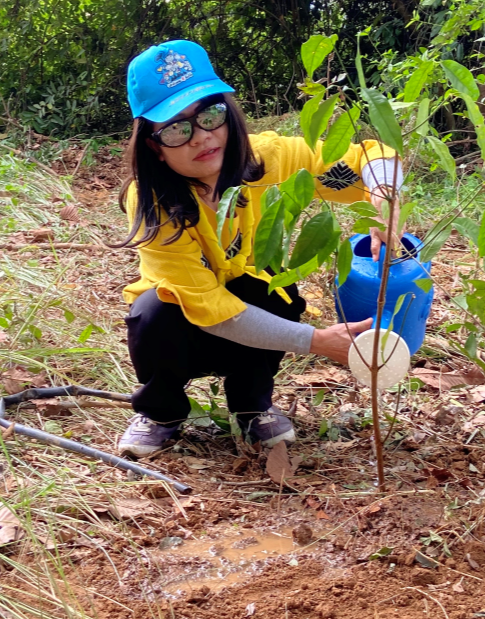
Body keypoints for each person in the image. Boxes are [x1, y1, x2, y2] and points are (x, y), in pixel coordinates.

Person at [115, 40, 403, 457]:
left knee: (274, 293)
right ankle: (161, 413)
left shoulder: (268, 160)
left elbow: (363, 158)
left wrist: (384, 193)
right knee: (153, 310)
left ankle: (252, 407)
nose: (201, 137)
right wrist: (319, 341)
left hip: (250, 315)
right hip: (184, 328)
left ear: (228, 112)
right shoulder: (151, 202)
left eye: (209, 115)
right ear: (153, 147)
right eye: (176, 128)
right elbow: (208, 306)